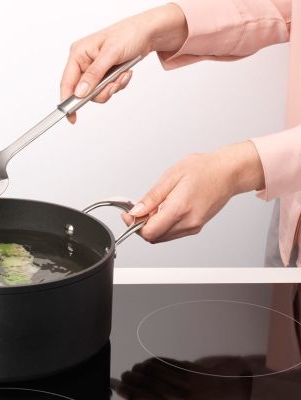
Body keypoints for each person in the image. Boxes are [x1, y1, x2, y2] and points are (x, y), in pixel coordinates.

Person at [60, 0, 301, 373]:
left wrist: (239, 167)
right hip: (293, 206)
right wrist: (159, 25)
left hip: (281, 169)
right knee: (284, 381)